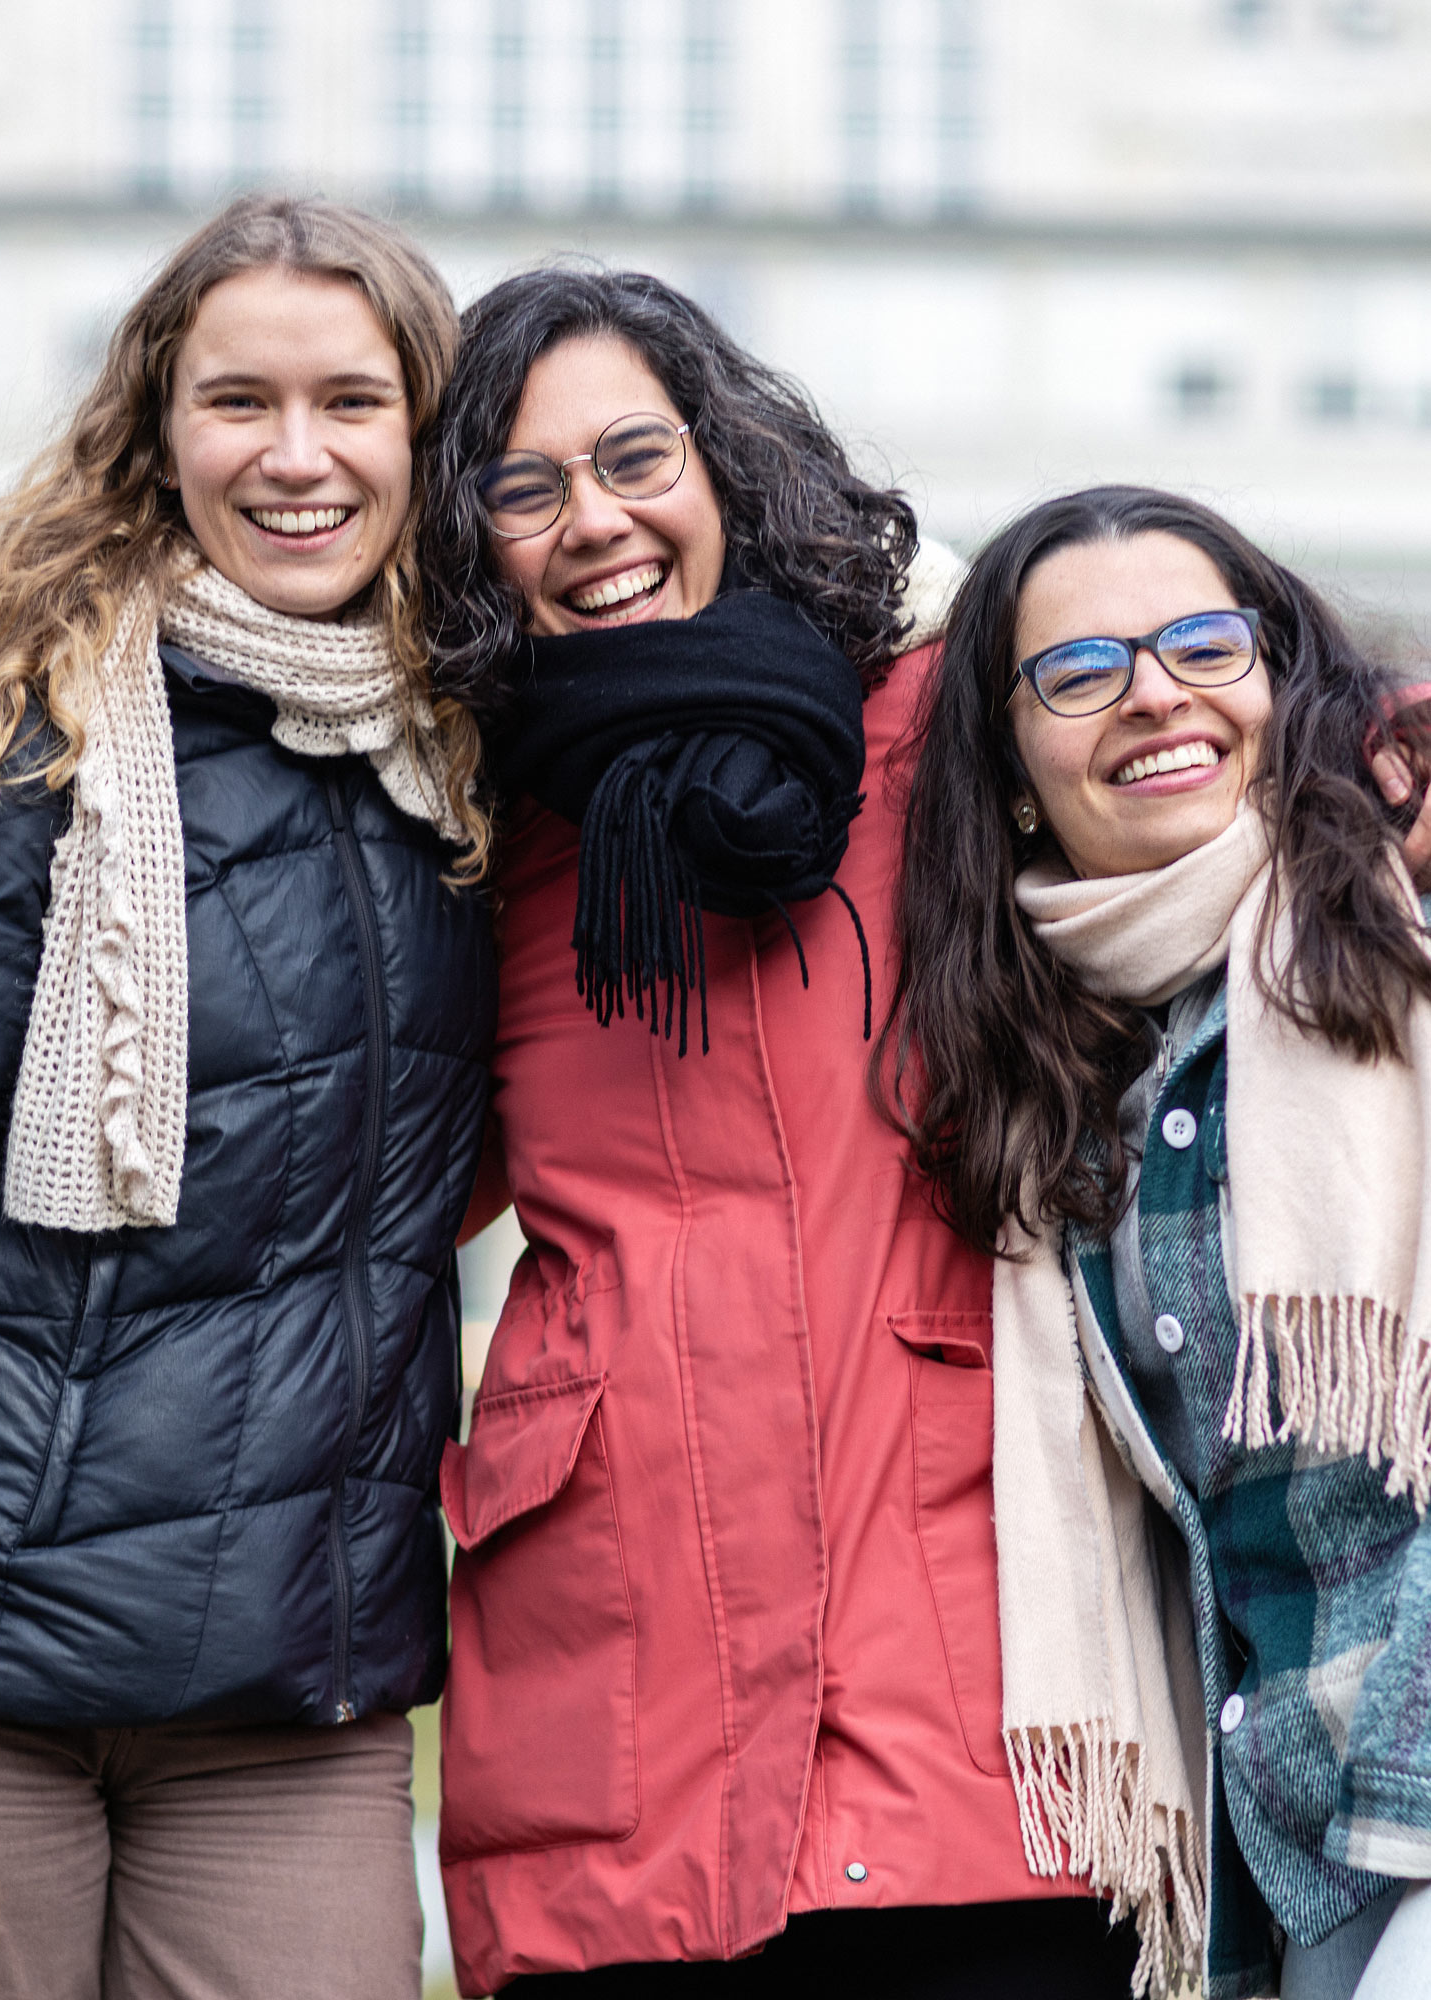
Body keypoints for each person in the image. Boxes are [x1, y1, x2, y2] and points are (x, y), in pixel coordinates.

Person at [417, 270, 1141, 1998]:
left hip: (975, 1727)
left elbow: (1234, 757)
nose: (592, 518)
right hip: (625, 1738)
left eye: (632, 456)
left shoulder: (940, 745)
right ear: (471, 549)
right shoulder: (467, 835)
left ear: (724, 465)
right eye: (524, 492)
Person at [0, 195, 495, 2000]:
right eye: (239, 402)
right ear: (159, 431)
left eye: (351, 403)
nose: (294, 456)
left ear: (426, 437)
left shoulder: (474, 768)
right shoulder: (10, 749)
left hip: (290, 1675)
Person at [887, 484, 1431, 1999]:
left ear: (1275, 677)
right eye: (1078, 671)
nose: (1154, 695)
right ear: (1006, 768)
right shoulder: (1063, 1087)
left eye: (1203, 643)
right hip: (1267, 1866)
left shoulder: (1405, 960)